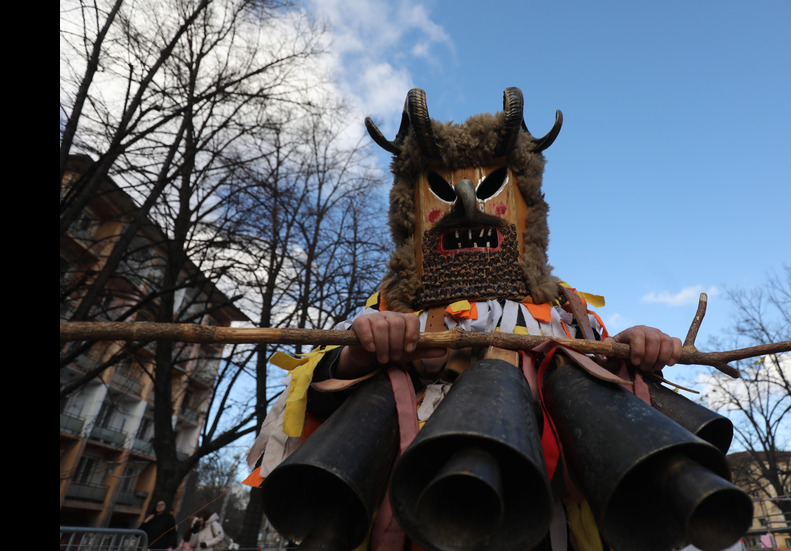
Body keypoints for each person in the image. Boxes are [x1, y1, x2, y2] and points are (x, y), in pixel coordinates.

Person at [247, 88, 685, 551]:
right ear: (412, 212)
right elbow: (311, 402)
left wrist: (631, 353)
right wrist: (359, 353)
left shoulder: (565, 310)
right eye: (440, 189)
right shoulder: (391, 307)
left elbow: (605, 396)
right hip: (415, 516)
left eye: (491, 185)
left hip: (540, 513)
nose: (465, 202)